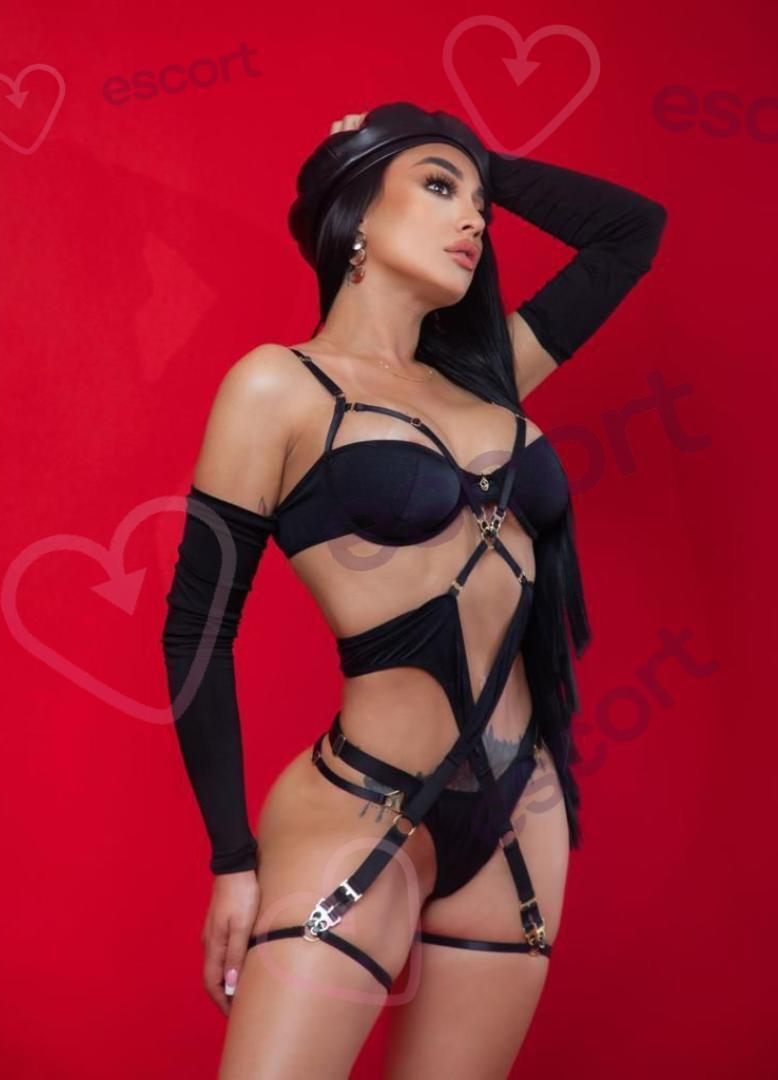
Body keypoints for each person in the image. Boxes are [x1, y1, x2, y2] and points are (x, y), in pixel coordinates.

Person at [161, 102, 668, 1076]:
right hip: (360, 804)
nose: (473, 218)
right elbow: (197, 630)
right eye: (438, 187)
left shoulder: (491, 381)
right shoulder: (279, 387)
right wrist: (231, 859)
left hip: (521, 818)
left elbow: (630, 230)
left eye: (480, 205)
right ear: (355, 211)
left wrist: (475, 159)